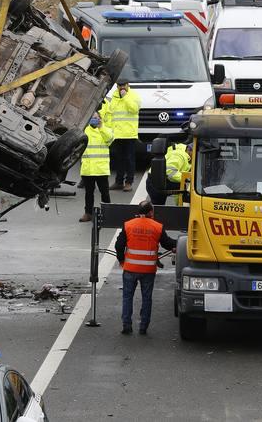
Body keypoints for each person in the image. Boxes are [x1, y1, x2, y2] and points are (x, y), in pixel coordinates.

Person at [115, 199, 177, 335]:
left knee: (127, 297)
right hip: (148, 270)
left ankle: (126, 324)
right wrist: (180, 243)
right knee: (147, 298)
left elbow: (119, 245)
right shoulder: (157, 227)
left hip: (130, 268)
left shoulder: (129, 225)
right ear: (150, 212)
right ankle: (143, 326)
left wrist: (121, 260)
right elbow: (167, 244)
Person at [105, 79, 141, 192]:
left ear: (128, 85)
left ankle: (129, 182)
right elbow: (111, 113)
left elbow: (134, 109)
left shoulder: (134, 95)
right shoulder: (114, 96)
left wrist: (125, 97)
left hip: (129, 134)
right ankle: (118, 182)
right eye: (119, 86)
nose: (121, 88)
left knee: (129, 159)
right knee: (118, 159)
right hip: (117, 134)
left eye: (123, 85)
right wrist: (110, 130)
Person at [79, 112, 114, 223]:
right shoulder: (84, 129)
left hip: (101, 169)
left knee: (104, 192)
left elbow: (109, 140)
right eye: (92, 118)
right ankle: (88, 213)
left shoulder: (106, 130)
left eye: (96, 118)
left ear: (100, 119)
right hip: (88, 168)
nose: (94, 120)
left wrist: (101, 127)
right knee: (89, 193)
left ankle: (107, 213)